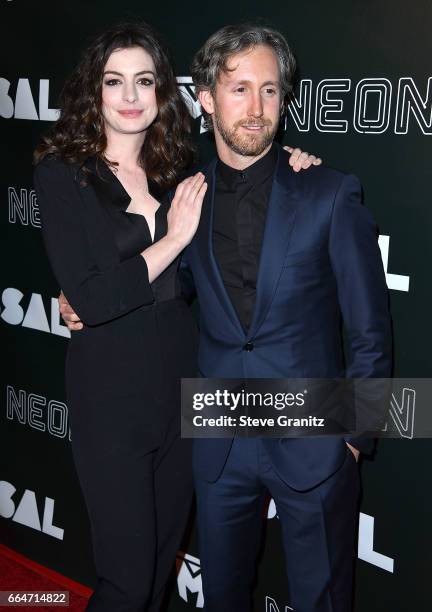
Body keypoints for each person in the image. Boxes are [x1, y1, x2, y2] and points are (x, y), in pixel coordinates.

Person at [36, 21, 320, 612]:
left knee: (161, 572)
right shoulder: (62, 173)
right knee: (126, 582)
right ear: (95, 90)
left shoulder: (179, 173)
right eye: (115, 82)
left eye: (145, 81)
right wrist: (171, 238)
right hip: (111, 402)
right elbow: (90, 298)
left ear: (165, 93)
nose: (131, 96)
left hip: (185, 396)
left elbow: (245, 180)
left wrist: (292, 161)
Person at [181, 25, 390, 612]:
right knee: (222, 598)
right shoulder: (186, 199)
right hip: (219, 440)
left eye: (270, 91)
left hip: (315, 440)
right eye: (239, 89)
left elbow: (371, 330)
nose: (256, 108)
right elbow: (163, 298)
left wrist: (354, 439)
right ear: (205, 98)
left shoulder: (327, 192)